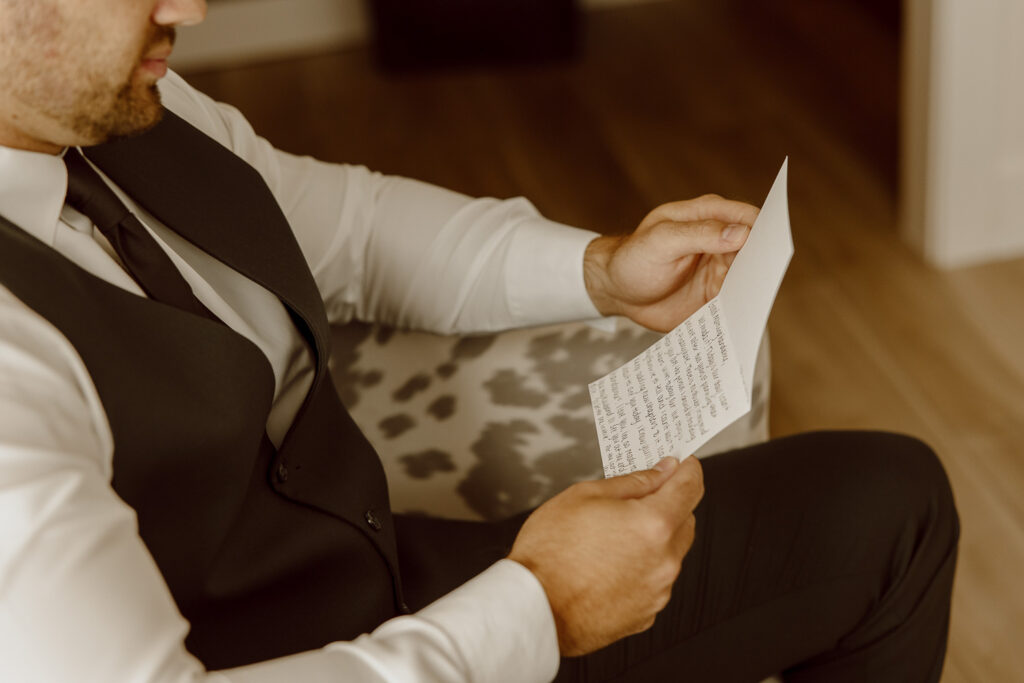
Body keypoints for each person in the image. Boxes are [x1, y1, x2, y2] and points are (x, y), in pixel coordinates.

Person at [0, 1, 959, 681]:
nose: (193, 7)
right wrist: (539, 606)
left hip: (386, 584)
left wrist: (599, 271)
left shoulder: (102, 107)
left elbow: (338, 225)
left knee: (889, 504)